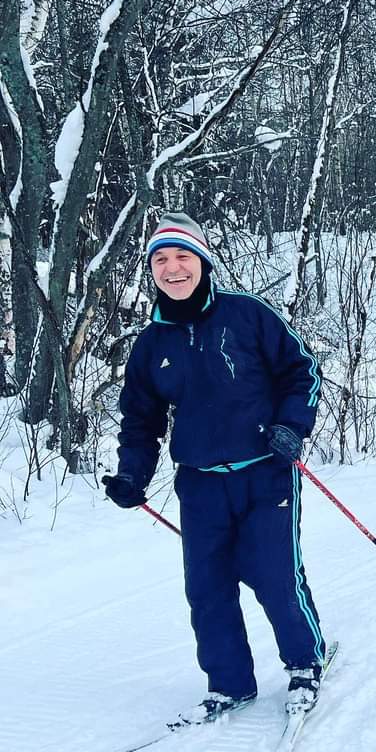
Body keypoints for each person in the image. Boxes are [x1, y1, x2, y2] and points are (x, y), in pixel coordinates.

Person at [103, 212, 327, 724]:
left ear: (202, 261)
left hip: (265, 471)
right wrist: (132, 475)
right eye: (161, 259)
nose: (173, 268)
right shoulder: (151, 344)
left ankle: (305, 664)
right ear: (152, 270)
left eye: (182, 256)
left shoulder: (248, 315)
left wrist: (292, 425)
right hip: (200, 484)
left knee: (274, 576)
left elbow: (302, 370)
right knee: (208, 587)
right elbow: (141, 420)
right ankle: (230, 685)